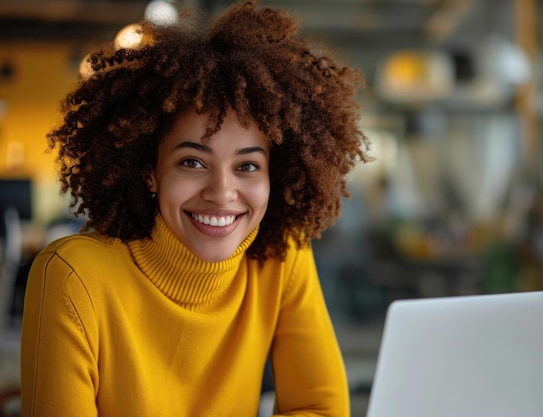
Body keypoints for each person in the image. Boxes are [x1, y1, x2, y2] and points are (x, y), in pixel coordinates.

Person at [19, 1, 370, 416]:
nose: (223, 192)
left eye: (247, 166)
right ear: (150, 170)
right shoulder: (74, 276)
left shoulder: (282, 256)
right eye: (192, 162)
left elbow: (321, 407)